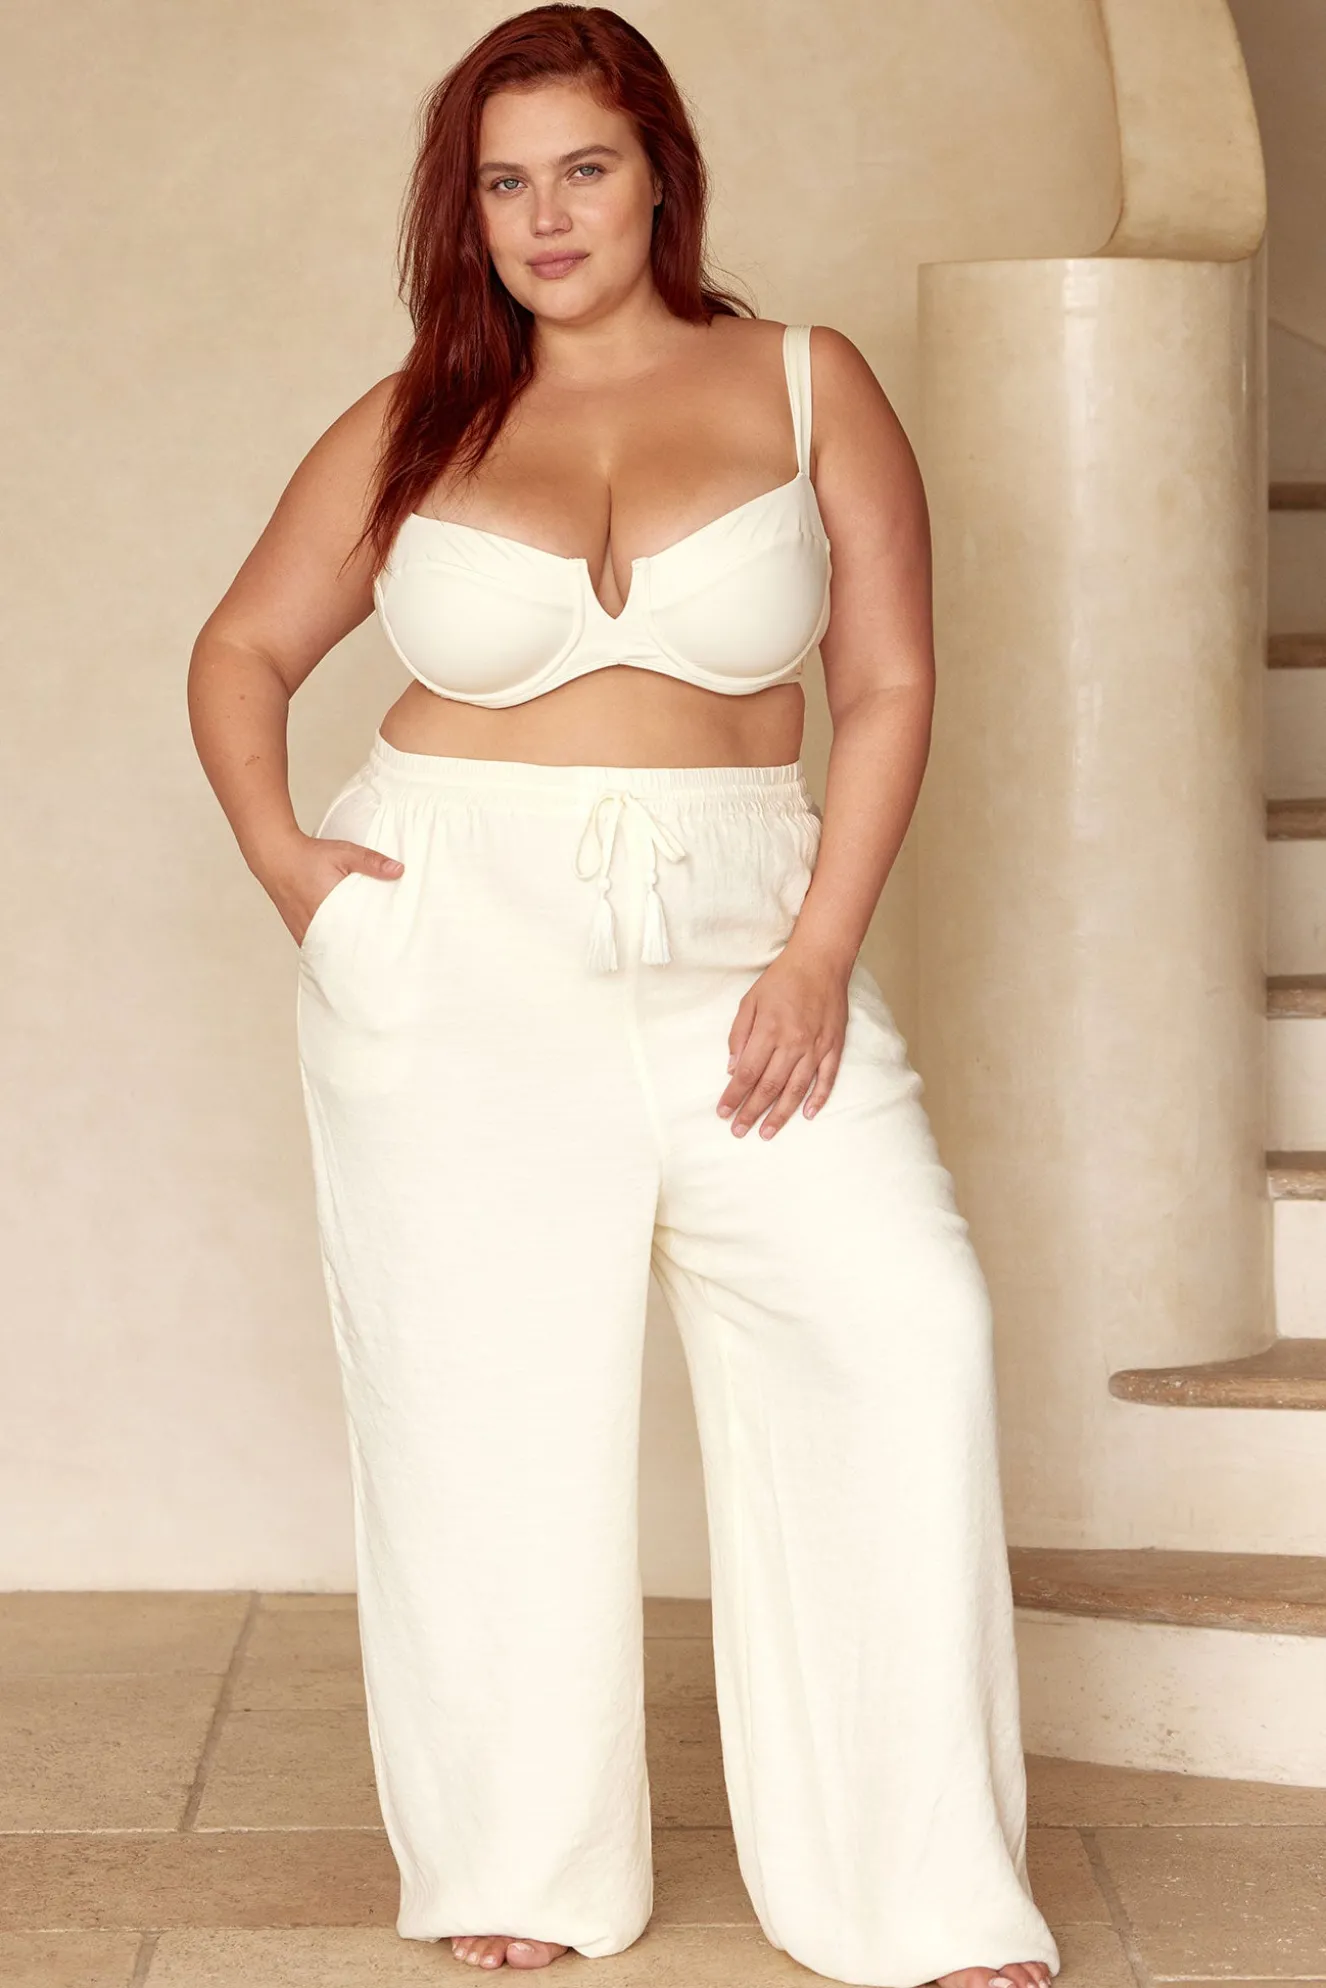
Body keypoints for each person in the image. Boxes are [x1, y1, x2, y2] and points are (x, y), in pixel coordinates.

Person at [187, 7, 1061, 1985]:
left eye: (582, 167)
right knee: (484, 1403)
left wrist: (817, 949)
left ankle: (920, 1893)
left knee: (900, 1332)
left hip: (744, 938)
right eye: (504, 181)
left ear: (661, 169)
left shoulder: (808, 382)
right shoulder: (416, 415)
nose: (546, 215)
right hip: (457, 953)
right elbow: (240, 649)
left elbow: (888, 682)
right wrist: (293, 871)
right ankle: (518, 1865)